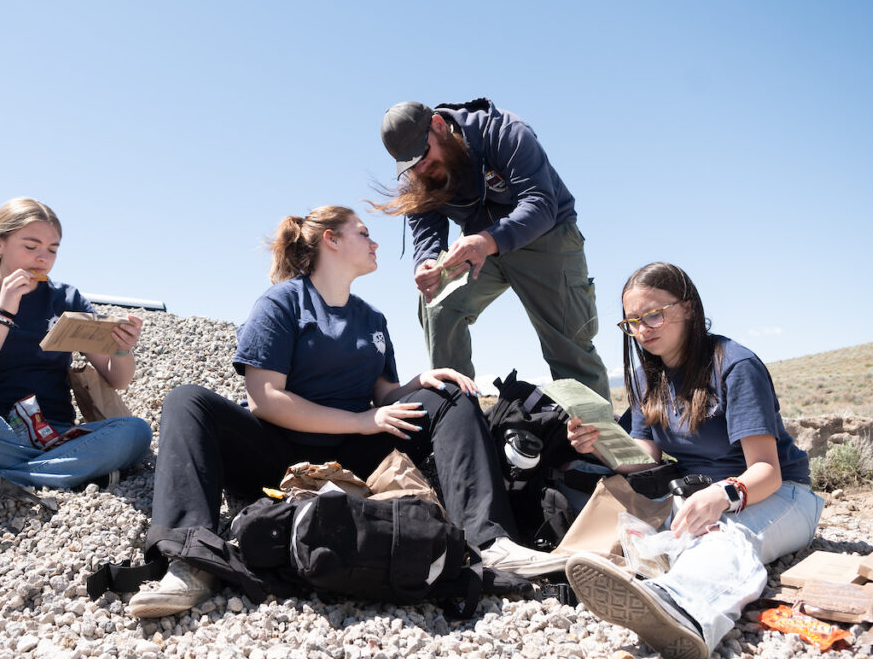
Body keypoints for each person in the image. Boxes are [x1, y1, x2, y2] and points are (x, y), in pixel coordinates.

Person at [128, 206, 558, 618]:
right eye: (364, 233)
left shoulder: (371, 318)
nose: (375, 243)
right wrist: (359, 420)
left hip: (350, 457)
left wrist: (418, 383)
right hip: (277, 453)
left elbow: (383, 393)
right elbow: (265, 399)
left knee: (450, 392)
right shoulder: (281, 304)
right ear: (331, 240)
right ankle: (191, 560)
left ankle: (491, 542)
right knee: (186, 399)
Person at [563, 262, 823, 659]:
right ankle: (641, 584)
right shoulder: (648, 377)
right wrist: (597, 446)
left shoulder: (734, 365)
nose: (643, 329)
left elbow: (768, 472)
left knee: (725, 533)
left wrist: (723, 495)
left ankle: (689, 614)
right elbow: (643, 459)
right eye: (632, 321)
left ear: (687, 309)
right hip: (706, 494)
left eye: (653, 314)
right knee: (638, 518)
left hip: (780, 494)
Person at [374, 98, 610, 398]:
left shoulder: (504, 131)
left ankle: (596, 441)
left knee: (569, 346)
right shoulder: (420, 169)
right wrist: (427, 260)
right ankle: (459, 423)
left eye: (422, 154)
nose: (420, 167)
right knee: (438, 304)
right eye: (410, 164)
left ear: (438, 125)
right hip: (478, 248)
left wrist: (488, 240)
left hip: (546, 237)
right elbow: (425, 223)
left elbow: (540, 203)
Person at [0, 197, 152, 489]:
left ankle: (1, 478)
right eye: (31, 247)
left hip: (56, 433)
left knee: (135, 431)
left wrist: (122, 348)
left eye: (52, 250)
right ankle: (65, 471)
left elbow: (118, 379)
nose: (43, 258)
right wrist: (3, 312)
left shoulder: (65, 299)